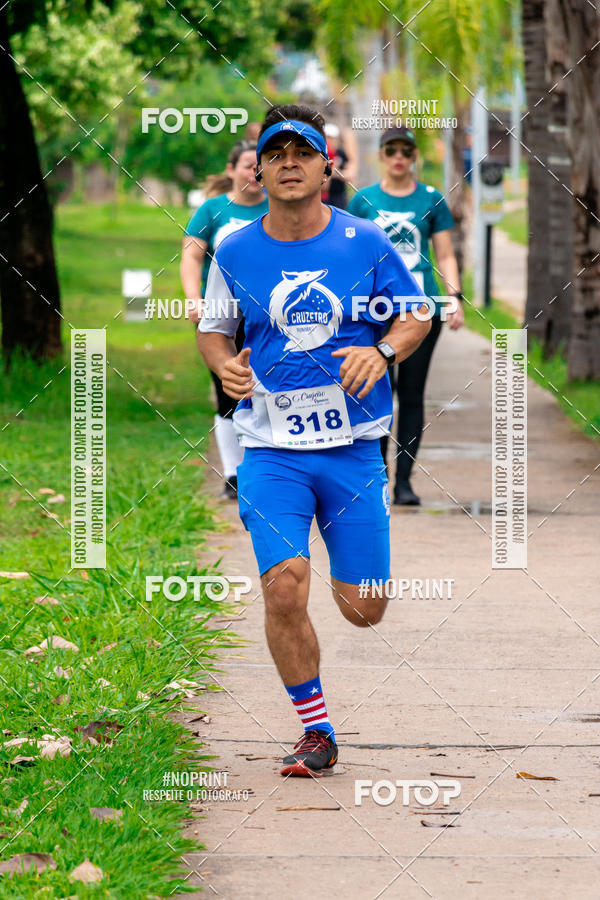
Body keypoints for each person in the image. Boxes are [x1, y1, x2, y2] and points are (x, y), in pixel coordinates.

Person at [197, 105, 430, 776]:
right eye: (278, 153)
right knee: (284, 588)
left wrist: (382, 352)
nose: (290, 162)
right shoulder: (236, 248)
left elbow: (416, 314)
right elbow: (215, 328)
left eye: (304, 152)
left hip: (353, 446)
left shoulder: (364, 242)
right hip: (269, 449)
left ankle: (349, 553)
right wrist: (223, 363)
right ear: (260, 169)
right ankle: (316, 731)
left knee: (364, 608)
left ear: (326, 167)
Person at [347, 126, 464, 506]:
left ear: (415, 156)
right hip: (374, 310)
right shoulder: (364, 200)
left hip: (421, 308)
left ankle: (405, 482)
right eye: (391, 149)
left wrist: (454, 297)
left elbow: (444, 254)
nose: (399, 156)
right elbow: (350, 255)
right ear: (381, 155)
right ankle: (376, 476)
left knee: (412, 395)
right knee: (376, 390)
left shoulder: (431, 199)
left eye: (406, 150)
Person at [181, 140, 268, 498]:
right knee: (227, 389)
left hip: (267, 313)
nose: (254, 172)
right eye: (248, 165)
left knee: (264, 388)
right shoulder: (213, 210)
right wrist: (194, 300)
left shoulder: (277, 207)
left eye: (258, 166)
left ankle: (264, 466)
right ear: (231, 170)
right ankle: (234, 474)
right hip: (223, 314)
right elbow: (191, 258)